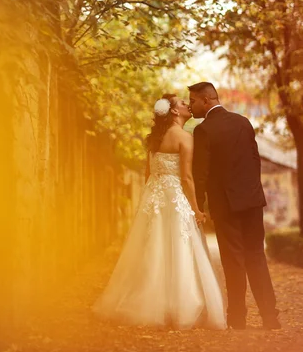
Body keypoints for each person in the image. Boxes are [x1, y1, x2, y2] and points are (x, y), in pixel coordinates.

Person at [92, 94, 226, 330]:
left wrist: (151, 197)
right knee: (177, 249)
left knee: (153, 249)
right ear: (174, 112)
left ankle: (149, 303)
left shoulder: (154, 139)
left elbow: (148, 174)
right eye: (182, 103)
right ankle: (179, 307)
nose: (187, 105)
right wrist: (196, 208)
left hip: (154, 196)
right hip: (174, 196)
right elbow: (186, 177)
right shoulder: (185, 137)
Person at [189, 81, 281, 330]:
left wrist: (198, 206)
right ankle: (270, 317)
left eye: (193, 101)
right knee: (256, 257)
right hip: (251, 201)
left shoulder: (203, 130)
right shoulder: (243, 122)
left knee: (233, 260)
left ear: (206, 100)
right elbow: (254, 159)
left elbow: (200, 174)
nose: (190, 106)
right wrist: (252, 191)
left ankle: (237, 318)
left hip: (226, 205)